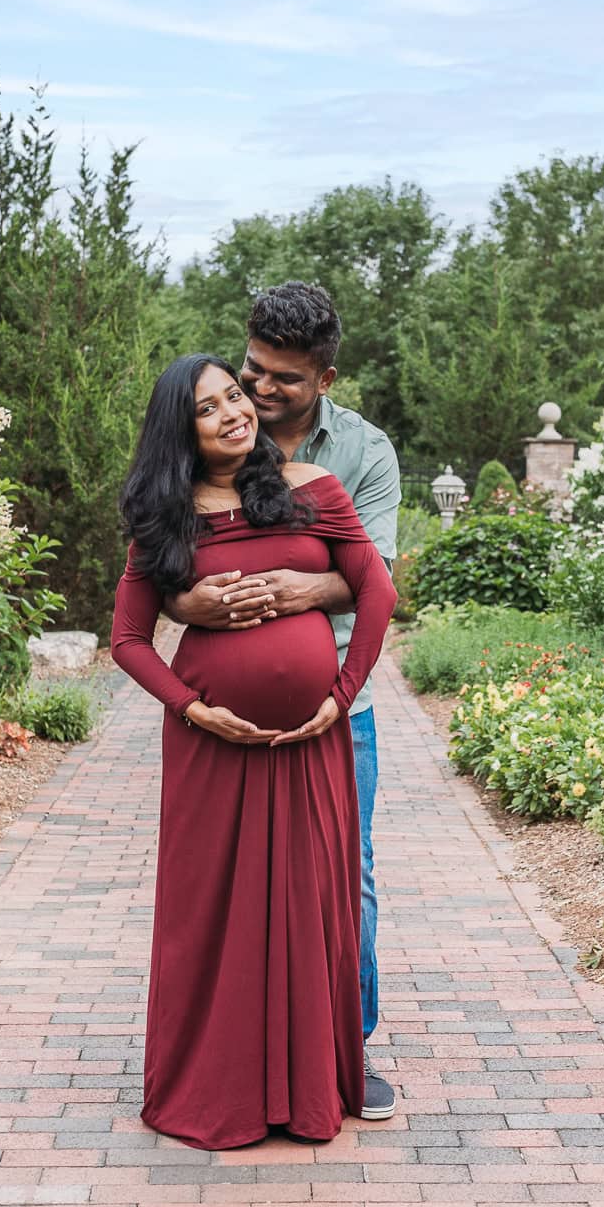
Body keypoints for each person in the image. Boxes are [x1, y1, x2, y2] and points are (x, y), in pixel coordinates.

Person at [110, 351, 397, 1150]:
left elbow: (377, 589)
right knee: (212, 911)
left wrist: (339, 695)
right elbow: (127, 638)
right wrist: (195, 708)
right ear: (182, 431)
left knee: (312, 903)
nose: (233, 411)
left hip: (310, 743)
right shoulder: (166, 519)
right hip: (213, 749)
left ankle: (308, 1088)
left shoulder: (312, 489)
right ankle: (220, 1088)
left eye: (233, 395)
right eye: (207, 408)